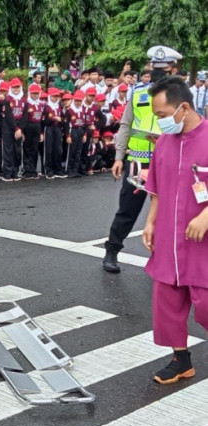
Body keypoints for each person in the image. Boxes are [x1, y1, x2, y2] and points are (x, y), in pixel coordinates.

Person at [141, 76, 208, 384]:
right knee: (167, 302)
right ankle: (181, 360)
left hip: (202, 242)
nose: (160, 122)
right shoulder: (165, 142)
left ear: (184, 107)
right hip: (170, 236)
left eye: (163, 116)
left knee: (205, 306)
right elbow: (156, 188)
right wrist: (151, 222)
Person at [102, 45, 182, 273]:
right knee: (127, 209)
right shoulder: (137, 92)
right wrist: (118, 157)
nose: (158, 74)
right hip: (137, 161)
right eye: (155, 69)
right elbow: (126, 125)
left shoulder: (179, 96)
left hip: (168, 161)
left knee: (167, 212)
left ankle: (164, 258)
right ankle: (112, 250)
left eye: (163, 70)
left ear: (172, 70)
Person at [3, 77, 27, 181]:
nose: (16, 89)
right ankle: (7, 172)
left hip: (19, 127)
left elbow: (25, 116)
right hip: (9, 126)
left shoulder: (24, 100)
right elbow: (8, 115)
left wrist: (20, 129)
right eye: (14, 87)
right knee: (8, 150)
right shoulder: (7, 100)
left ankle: (15, 171)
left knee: (17, 150)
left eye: (17, 87)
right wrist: (16, 128)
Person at [21, 83, 44, 179]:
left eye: (37, 93)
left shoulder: (41, 104)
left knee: (35, 149)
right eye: (33, 93)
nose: (35, 95)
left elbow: (42, 119)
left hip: (37, 127)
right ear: (30, 93)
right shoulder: (26, 103)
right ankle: (26, 170)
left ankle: (33, 169)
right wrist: (22, 130)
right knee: (27, 148)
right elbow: (23, 118)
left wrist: (41, 132)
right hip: (28, 127)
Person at [43, 87, 64, 178]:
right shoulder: (46, 107)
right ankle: (48, 169)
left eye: (57, 96)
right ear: (50, 96)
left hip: (57, 129)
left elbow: (63, 119)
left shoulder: (59, 106)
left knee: (58, 149)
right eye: (53, 96)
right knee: (49, 150)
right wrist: (53, 119)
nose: (55, 98)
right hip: (49, 128)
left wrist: (61, 120)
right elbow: (44, 121)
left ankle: (58, 169)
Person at [65, 91, 87, 178]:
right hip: (72, 131)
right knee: (71, 151)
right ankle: (69, 170)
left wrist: (85, 134)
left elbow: (85, 123)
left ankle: (75, 169)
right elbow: (66, 124)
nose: (78, 102)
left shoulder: (83, 110)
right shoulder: (70, 111)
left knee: (78, 152)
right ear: (74, 100)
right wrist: (68, 135)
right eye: (76, 101)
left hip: (80, 130)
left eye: (80, 101)